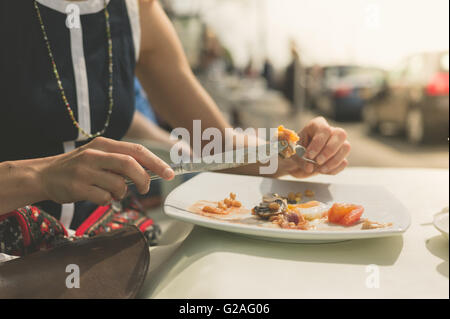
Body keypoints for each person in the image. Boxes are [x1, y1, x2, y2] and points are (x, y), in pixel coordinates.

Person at [0, 0, 351, 251]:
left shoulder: (139, 11)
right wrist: (40, 177)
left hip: (104, 245)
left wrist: (291, 152)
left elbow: (216, 145)